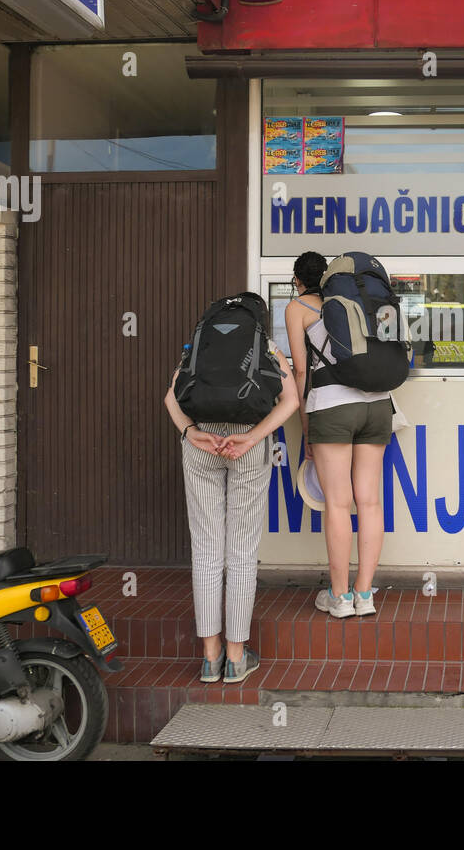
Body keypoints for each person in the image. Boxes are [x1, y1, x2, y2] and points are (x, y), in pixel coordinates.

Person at [164, 293, 299, 684]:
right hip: (247, 445)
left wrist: (192, 433)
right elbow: (290, 401)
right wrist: (253, 437)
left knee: (206, 549)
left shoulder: (199, 342)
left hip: (201, 443)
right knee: (241, 552)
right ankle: (237, 658)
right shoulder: (265, 345)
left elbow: (171, 397)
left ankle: (210, 658)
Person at [284, 252, 392, 619]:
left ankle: (340, 597)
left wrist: (305, 424)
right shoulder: (355, 300)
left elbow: (301, 371)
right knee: (370, 502)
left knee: (338, 504)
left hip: (331, 405)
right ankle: (366, 595)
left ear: (298, 280)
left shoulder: (298, 307)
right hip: (379, 405)